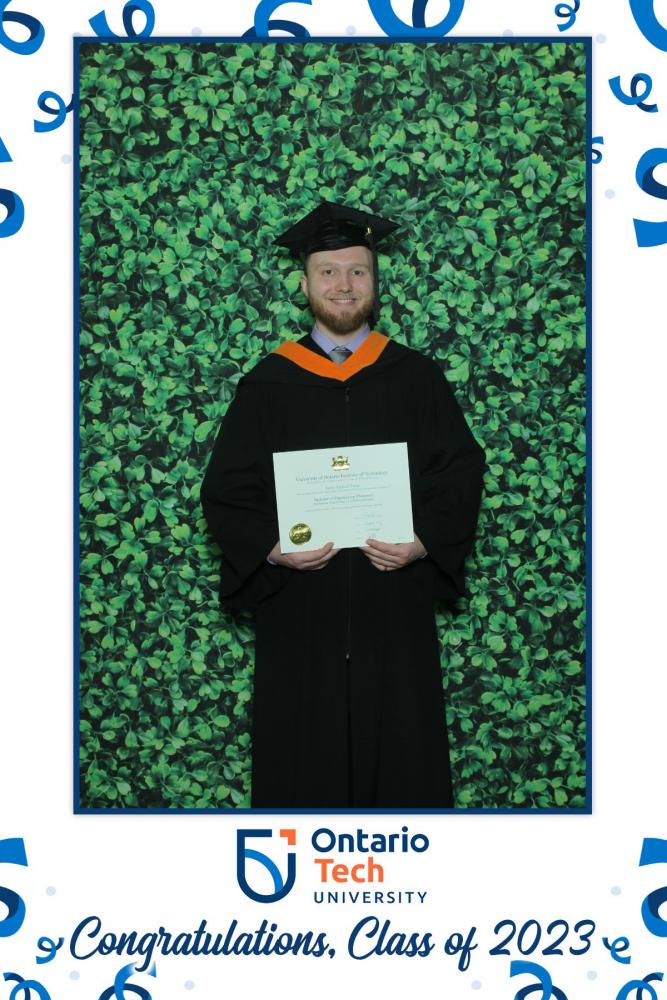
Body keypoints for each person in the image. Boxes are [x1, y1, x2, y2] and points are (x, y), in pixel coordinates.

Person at [201, 201, 485, 809]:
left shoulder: (415, 377)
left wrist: (424, 542)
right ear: (305, 285)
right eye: (327, 272)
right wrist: (272, 551)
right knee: (303, 766)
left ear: (375, 284)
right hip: (302, 610)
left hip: (393, 607)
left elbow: (460, 471)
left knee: (402, 762)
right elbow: (228, 489)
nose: (344, 284)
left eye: (358, 271)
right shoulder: (268, 383)